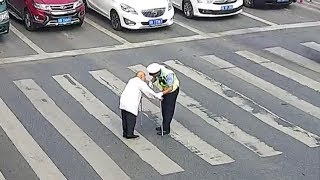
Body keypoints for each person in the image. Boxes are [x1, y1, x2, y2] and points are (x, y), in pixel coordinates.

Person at [120, 71, 163, 139]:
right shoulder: (140, 82)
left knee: (125, 117)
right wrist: (158, 96)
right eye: (144, 77)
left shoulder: (132, 80)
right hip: (131, 102)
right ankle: (129, 133)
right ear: (141, 76)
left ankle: (125, 132)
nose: (145, 78)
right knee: (131, 118)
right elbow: (148, 91)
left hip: (123, 101)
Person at [147, 63, 180, 135]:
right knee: (163, 108)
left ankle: (166, 129)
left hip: (171, 92)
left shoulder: (168, 75)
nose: (153, 76)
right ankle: (164, 125)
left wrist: (161, 94)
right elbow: (155, 78)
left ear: (157, 72)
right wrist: (151, 81)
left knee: (168, 110)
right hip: (164, 90)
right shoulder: (158, 70)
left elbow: (170, 88)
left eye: (153, 75)